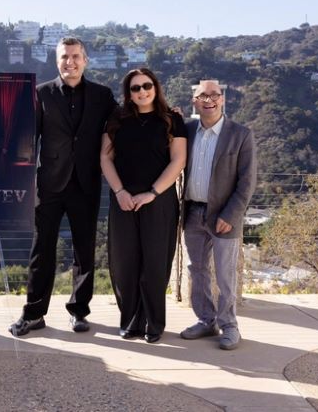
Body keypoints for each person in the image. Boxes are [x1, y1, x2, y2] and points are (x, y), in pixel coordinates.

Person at [10, 37, 117, 336]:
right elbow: (26, 137)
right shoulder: (40, 93)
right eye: (64, 57)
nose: (70, 62)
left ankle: (79, 311)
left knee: (85, 250)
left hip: (86, 182)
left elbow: (124, 122)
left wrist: (167, 115)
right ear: (56, 61)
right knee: (41, 250)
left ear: (85, 60)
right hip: (48, 184)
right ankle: (34, 314)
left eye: (75, 56)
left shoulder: (102, 95)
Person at [101, 68, 187, 343]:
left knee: (155, 263)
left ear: (156, 87)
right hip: (123, 200)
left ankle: (153, 322)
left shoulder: (172, 119)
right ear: (128, 93)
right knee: (124, 261)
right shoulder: (117, 119)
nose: (142, 92)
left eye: (146, 85)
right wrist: (120, 192)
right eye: (135, 88)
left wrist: (152, 193)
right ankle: (130, 320)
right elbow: (105, 158)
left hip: (159, 202)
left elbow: (178, 160)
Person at [180, 80, 256, 350]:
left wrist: (231, 215)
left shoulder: (241, 134)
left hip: (224, 216)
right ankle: (206, 320)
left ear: (223, 99)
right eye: (203, 95)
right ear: (195, 102)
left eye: (215, 95)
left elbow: (247, 182)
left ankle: (230, 326)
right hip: (192, 212)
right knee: (197, 270)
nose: (209, 99)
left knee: (225, 274)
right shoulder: (187, 130)